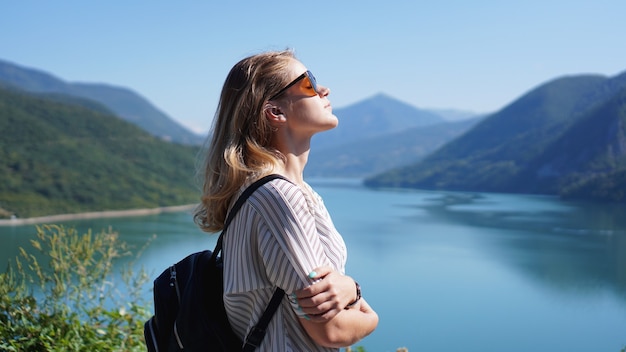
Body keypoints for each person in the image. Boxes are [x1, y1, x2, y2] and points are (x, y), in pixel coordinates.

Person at [194, 50, 378, 351]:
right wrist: (363, 305)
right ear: (275, 112)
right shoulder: (278, 198)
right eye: (308, 82)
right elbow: (330, 330)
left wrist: (348, 290)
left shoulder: (286, 193)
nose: (323, 90)